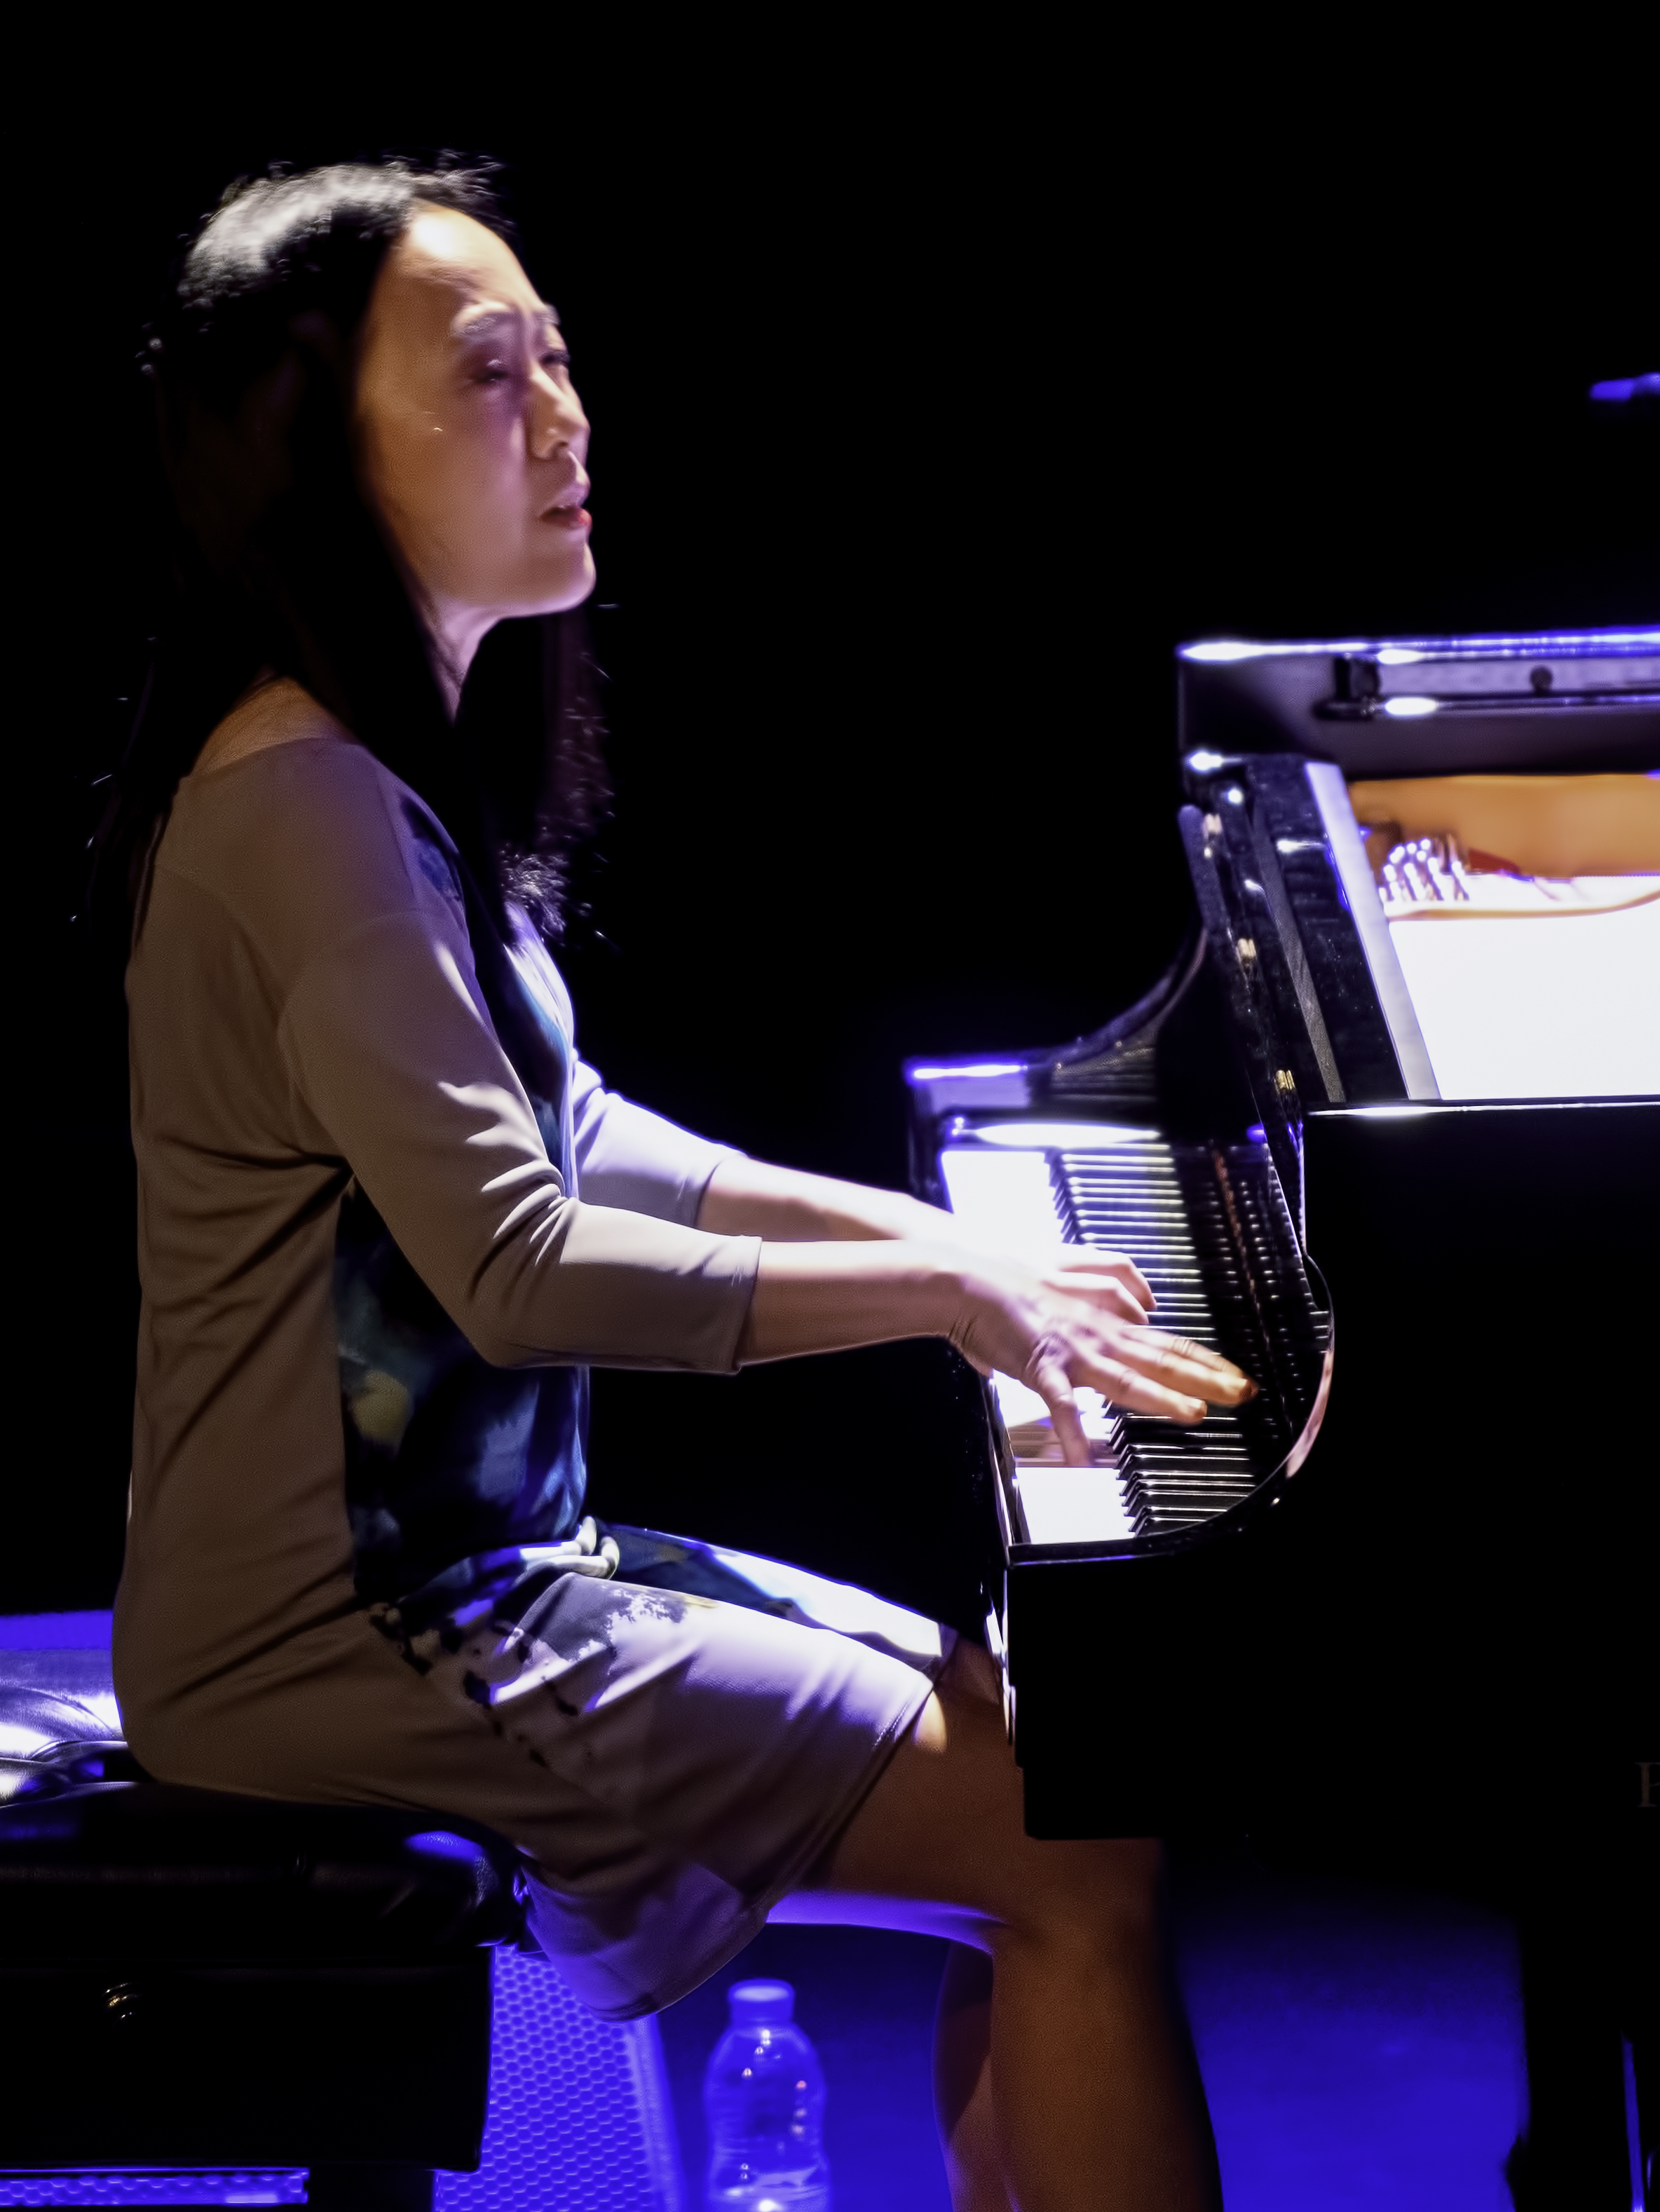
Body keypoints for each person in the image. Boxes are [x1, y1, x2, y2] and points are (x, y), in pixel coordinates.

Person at [94, 158, 1248, 2212]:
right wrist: (949, 1304)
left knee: (1051, 1783)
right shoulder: (306, 811)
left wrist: (951, 1247)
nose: (563, 417)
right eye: (485, 375)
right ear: (312, 452)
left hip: (460, 1574)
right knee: (1067, 1839)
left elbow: (590, 1137)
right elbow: (522, 1265)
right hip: (344, 1639)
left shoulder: (367, 771)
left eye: (561, 357)